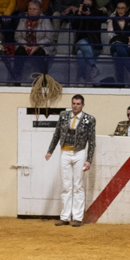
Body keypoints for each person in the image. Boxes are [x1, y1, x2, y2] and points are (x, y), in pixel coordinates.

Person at [45, 94, 95, 227]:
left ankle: (78, 217)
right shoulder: (63, 115)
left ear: (83, 105)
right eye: (73, 103)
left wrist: (89, 159)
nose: (75, 106)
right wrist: (50, 150)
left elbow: (92, 141)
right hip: (65, 152)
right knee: (66, 185)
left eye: (78, 104)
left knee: (78, 186)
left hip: (79, 153)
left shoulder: (89, 119)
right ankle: (65, 216)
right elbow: (57, 134)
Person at [105, 1, 130, 84]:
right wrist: (126, 38)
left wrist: (120, 38)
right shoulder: (112, 19)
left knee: (117, 55)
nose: (120, 10)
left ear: (127, 9)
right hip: (115, 45)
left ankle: (120, 82)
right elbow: (111, 36)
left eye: (122, 8)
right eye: (118, 8)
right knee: (118, 46)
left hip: (129, 47)